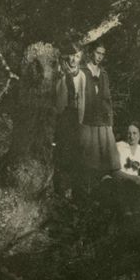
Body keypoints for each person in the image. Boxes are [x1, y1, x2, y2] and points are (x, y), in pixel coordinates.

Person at [79, 42, 121, 175]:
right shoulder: (82, 70)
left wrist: (110, 121)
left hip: (102, 120)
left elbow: (107, 99)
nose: (100, 57)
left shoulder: (103, 74)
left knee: (104, 158)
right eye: (98, 53)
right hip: (86, 119)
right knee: (87, 157)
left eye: (103, 54)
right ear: (91, 52)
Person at [53, 43, 86, 194]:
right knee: (60, 146)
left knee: (72, 149)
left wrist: (81, 119)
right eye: (72, 55)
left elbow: (83, 98)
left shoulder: (82, 75)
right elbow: (55, 92)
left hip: (75, 115)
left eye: (77, 56)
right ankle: (56, 182)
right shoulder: (60, 70)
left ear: (81, 58)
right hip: (62, 113)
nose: (74, 59)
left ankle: (68, 186)